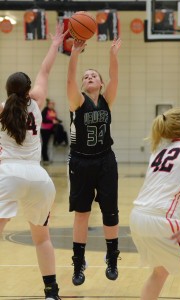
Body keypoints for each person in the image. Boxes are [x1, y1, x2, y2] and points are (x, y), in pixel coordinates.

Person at [0, 24, 67, 300]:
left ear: (7, 90)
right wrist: (55, 44)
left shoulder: (2, 110)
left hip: (8, 174)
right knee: (42, 238)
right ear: (29, 90)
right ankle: (52, 293)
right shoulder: (38, 102)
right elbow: (45, 71)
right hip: (40, 179)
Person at [66, 38, 121, 286]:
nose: (88, 78)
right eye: (85, 76)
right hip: (81, 162)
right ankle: (78, 264)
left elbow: (115, 77)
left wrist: (113, 54)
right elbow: (70, 80)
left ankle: (112, 257)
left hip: (105, 160)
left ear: (100, 82)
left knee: (110, 212)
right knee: (82, 214)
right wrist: (74, 54)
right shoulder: (77, 101)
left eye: (93, 76)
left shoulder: (106, 100)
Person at [129, 107, 180, 300]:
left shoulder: (158, 153)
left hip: (138, 218)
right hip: (161, 221)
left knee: (160, 271)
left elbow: (163, 203)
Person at [41, 99, 60, 165]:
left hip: (51, 129)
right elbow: (43, 120)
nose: (53, 105)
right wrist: (52, 121)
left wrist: (58, 121)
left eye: (53, 104)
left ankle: (49, 158)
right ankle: (45, 159)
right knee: (45, 144)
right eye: (51, 104)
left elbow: (55, 118)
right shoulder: (45, 110)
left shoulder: (53, 111)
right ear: (48, 104)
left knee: (50, 144)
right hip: (45, 129)